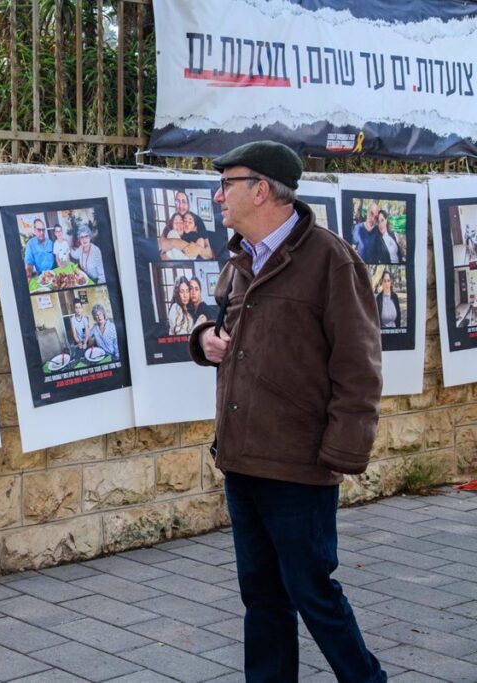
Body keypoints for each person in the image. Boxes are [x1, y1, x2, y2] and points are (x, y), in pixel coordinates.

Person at [189, 140, 385, 683]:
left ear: (260, 189)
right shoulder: (239, 259)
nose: (218, 195)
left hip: (299, 465)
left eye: (227, 183)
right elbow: (220, 329)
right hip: (241, 458)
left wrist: (340, 453)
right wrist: (203, 338)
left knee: (314, 595)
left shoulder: (330, 259)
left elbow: (359, 366)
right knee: (262, 598)